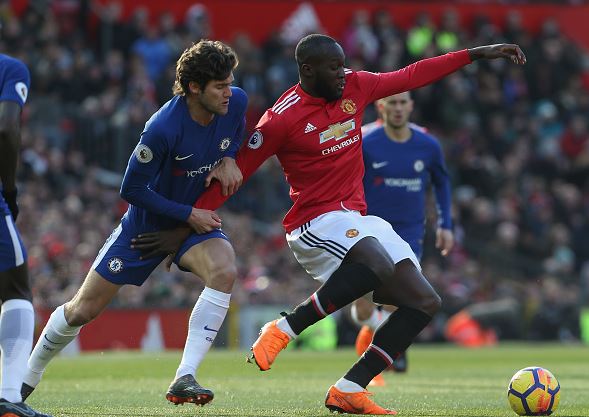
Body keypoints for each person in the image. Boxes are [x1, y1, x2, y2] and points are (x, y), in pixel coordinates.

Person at [135, 34, 526, 415]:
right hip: (313, 222)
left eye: (343, 65)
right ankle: (284, 328)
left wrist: (476, 54)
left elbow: (411, 75)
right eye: (334, 67)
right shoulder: (281, 118)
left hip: (356, 218)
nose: (343, 73)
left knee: (425, 302)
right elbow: (236, 175)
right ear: (308, 69)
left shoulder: (357, 86)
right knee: (376, 264)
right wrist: (184, 225)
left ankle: (350, 389)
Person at [21, 40, 247, 407]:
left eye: (230, 83)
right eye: (220, 86)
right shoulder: (162, 128)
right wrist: (187, 214)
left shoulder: (235, 103)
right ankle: (25, 379)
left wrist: (231, 157)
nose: (229, 92)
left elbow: (237, 131)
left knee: (225, 270)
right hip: (146, 230)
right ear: (194, 87)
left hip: (192, 224)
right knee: (82, 310)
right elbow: (131, 189)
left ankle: (184, 376)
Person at [351, 91, 455, 386]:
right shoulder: (364, 141)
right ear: (380, 106)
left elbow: (442, 183)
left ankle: (383, 356)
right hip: (368, 230)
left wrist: (446, 225)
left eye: (402, 103)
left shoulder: (427, 145)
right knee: (362, 308)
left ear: (411, 106)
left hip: (408, 233)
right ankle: (379, 334)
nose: (397, 108)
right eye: (392, 103)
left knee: (398, 300)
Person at [0, 54, 53, 417]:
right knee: (16, 288)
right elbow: (6, 127)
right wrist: (9, 189)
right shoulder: (10, 68)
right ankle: (9, 396)